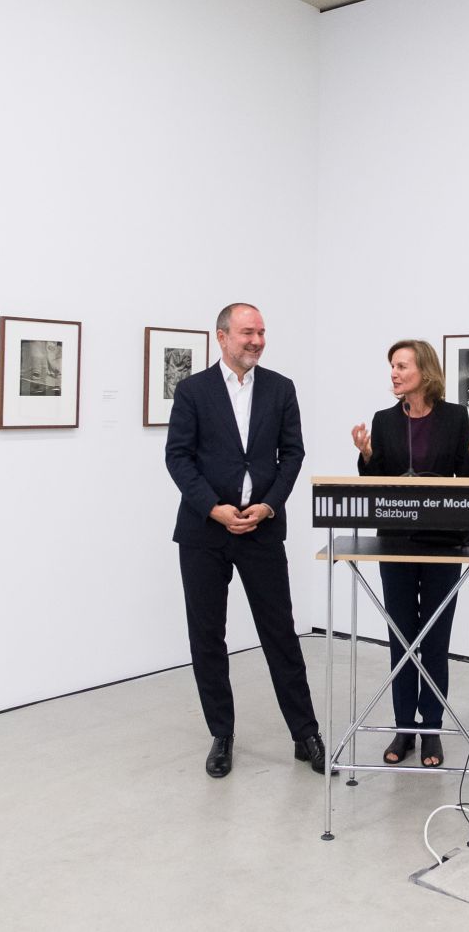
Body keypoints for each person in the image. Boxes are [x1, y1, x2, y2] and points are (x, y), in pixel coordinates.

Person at [164, 303, 326, 779]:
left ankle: (305, 733)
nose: (255, 341)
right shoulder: (193, 390)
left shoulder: (280, 388)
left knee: (280, 633)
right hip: (203, 532)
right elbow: (178, 458)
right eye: (246, 333)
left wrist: (270, 504)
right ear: (221, 337)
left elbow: (292, 454)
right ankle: (222, 735)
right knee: (208, 637)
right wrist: (212, 507)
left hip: (262, 529)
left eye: (261, 332)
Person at [349, 341, 469, 768]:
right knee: (401, 635)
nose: (394, 374)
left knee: (434, 638)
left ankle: (431, 728)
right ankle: (404, 727)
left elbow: (462, 476)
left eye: (401, 366)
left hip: (443, 541)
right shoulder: (383, 420)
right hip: (394, 542)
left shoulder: (454, 416)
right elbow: (376, 482)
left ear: (424, 370)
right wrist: (365, 455)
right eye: (391, 367)